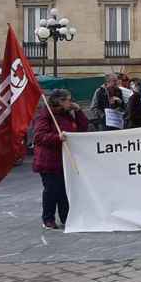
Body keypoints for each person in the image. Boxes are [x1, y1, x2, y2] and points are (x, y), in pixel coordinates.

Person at [33, 89, 88, 230]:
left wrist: (79, 111)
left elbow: (82, 128)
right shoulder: (44, 115)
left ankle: (66, 216)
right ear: (59, 101)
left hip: (65, 159)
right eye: (68, 100)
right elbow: (39, 137)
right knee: (52, 190)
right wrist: (57, 138)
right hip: (49, 160)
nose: (71, 102)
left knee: (64, 190)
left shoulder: (67, 115)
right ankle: (48, 218)